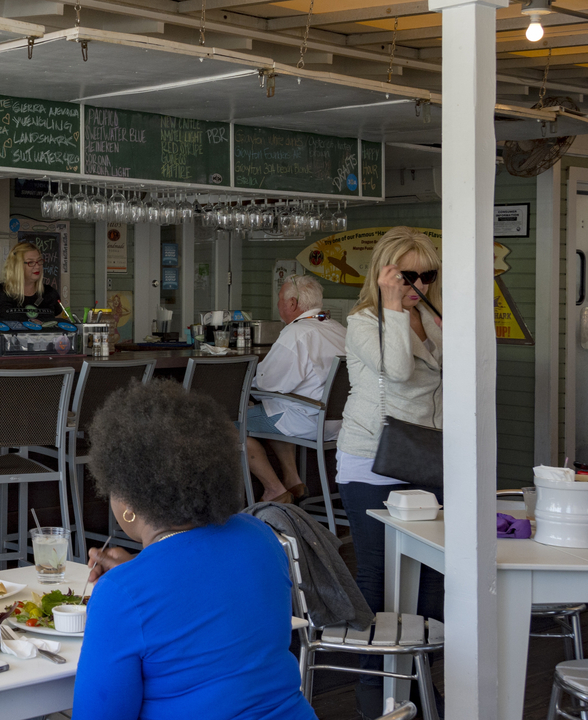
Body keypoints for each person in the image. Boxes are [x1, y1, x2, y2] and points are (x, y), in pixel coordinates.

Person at [73, 380, 315, 720]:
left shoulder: (121, 595)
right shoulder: (260, 537)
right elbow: (205, 586)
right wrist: (140, 569)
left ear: (127, 503)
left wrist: (134, 580)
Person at [335, 227, 443, 719]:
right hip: (372, 459)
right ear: (384, 273)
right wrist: (393, 305)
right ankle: (374, 693)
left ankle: (416, 684)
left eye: (427, 274)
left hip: (427, 456)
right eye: (407, 274)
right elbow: (397, 371)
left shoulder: (431, 316)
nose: (417, 283)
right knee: (378, 577)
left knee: (430, 580)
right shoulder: (364, 321)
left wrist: (424, 310)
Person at [245, 274, 347, 503]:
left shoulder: (296, 332)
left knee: (227, 425)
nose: (279, 304)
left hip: (308, 420)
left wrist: (246, 384)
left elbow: (267, 383)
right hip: (340, 423)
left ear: (292, 303)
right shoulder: (338, 329)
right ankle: (293, 480)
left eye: (280, 299)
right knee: (276, 409)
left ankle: (274, 489)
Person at [0, 242, 64, 322]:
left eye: (39, 261)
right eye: (31, 262)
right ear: (17, 266)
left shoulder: (50, 294)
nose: (37, 266)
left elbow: (61, 329)